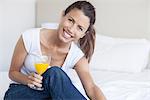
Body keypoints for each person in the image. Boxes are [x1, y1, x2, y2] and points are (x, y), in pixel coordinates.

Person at [4, 1, 106, 100]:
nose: (71, 29)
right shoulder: (30, 37)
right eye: (70, 20)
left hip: (51, 95)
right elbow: (12, 73)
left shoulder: (77, 57)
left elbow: (91, 88)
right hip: (20, 93)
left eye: (79, 28)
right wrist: (27, 80)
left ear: (83, 34)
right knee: (54, 72)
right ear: (62, 15)